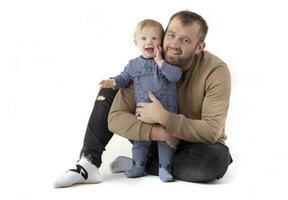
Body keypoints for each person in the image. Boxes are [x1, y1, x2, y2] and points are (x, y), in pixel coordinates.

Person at [54, 10, 232, 188]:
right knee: (111, 89)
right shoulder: (146, 65)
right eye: (171, 35)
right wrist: (161, 133)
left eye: (185, 40)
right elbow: (116, 119)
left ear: (199, 47)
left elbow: (211, 131)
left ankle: (142, 164)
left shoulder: (215, 71)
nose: (174, 44)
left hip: (193, 145)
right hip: (153, 137)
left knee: (215, 161)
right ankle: (88, 164)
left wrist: (164, 117)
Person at [99, 19, 182, 182]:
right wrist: (113, 82)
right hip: (143, 114)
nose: (149, 42)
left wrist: (160, 62)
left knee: (165, 142)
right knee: (140, 141)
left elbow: (176, 75)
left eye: (154, 38)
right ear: (136, 42)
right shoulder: (133, 65)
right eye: (144, 39)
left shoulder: (166, 61)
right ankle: (138, 165)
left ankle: (164, 168)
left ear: (162, 41)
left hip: (166, 113)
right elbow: (124, 78)